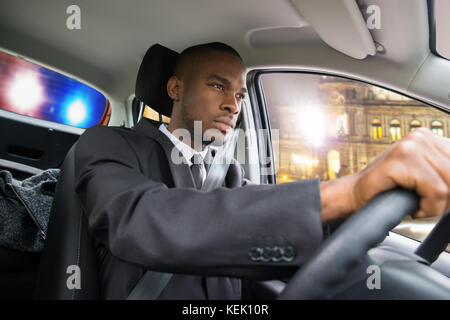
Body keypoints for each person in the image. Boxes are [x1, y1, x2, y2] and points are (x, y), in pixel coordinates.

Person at [74, 42, 450, 300]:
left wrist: (372, 207)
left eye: (238, 94)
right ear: (175, 87)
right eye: (218, 86)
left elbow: (276, 220)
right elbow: (141, 221)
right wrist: (350, 191)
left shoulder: (230, 173)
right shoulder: (109, 146)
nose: (232, 105)